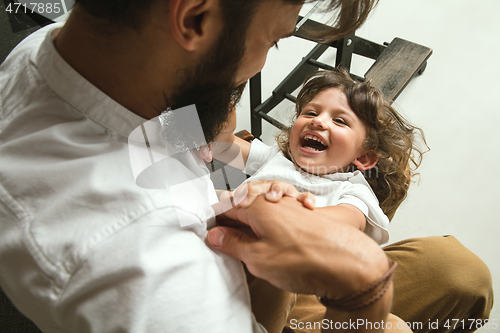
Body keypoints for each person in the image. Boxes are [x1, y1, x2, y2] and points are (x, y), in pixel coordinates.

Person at [0, 1, 492, 333]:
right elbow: (227, 154)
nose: (259, 67)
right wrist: (362, 298)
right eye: (274, 39)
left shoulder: (59, 49)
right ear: (193, 18)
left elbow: (202, 146)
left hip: (275, 258)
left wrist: (213, 115)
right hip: (284, 302)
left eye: (339, 121)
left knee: (458, 271)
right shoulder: (152, 284)